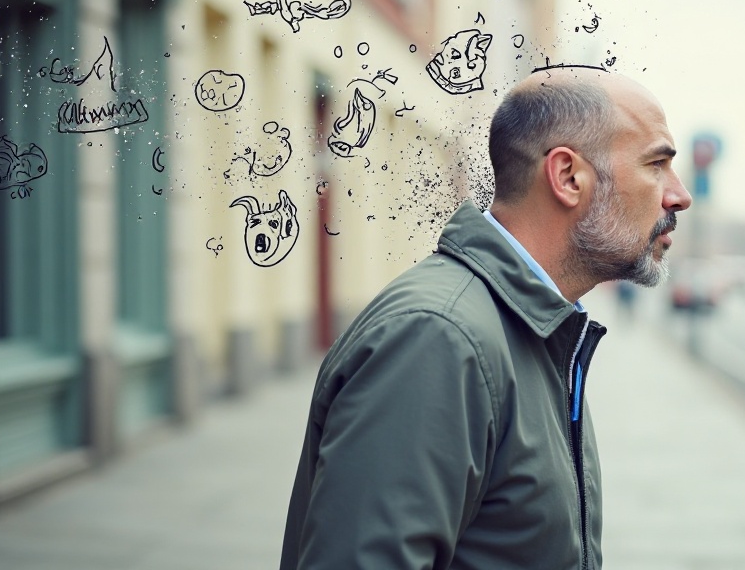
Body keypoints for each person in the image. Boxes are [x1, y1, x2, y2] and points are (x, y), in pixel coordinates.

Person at [278, 66, 693, 569]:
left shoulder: (535, 328)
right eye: (657, 165)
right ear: (567, 177)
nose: (679, 195)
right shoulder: (438, 338)